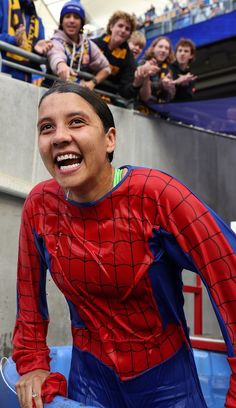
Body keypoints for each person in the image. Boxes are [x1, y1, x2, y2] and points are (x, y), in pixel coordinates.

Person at [13, 81, 236, 408]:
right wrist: (32, 363)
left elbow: (229, 272)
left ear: (110, 139)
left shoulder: (158, 196)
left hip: (166, 378)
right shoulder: (40, 206)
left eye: (76, 122)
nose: (60, 136)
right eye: (47, 127)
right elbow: (28, 299)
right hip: (90, 375)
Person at [42, 0, 111, 90]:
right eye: (67, 16)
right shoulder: (55, 41)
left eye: (76, 17)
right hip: (51, 92)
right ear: (61, 21)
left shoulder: (89, 45)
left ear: (82, 23)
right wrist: (61, 65)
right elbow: (56, 54)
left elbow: (107, 68)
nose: (72, 20)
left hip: (76, 95)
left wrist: (93, 82)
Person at [92, 11, 147, 100]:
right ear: (111, 27)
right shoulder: (93, 44)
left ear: (129, 34)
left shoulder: (129, 60)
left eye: (127, 29)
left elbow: (124, 91)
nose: (123, 30)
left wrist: (136, 84)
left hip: (105, 99)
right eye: (120, 26)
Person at [0, 0, 52, 82]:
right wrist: (13, 40)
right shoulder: (3, 3)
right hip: (3, 73)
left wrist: (37, 51)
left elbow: (35, 64)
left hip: (25, 82)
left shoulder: (37, 21)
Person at [138, 36, 176, 104]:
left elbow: (170, 96)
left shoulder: (167, 69)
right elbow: (139, 86)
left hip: (157, 108)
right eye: (160, 47)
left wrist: (167, 88)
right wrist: (161, 85)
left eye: (167, 48)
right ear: (153, 48)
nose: (163, 50)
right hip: (140, 106)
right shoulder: (144, 63)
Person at [170, 38, 197, 102]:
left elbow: (189, 98)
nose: (182, 53)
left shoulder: (190, 76)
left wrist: (184, 86)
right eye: (180, 50)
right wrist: (177, 82)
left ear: (191, 56)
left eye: (186, 51)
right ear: (175, 54)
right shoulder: (168, 68)